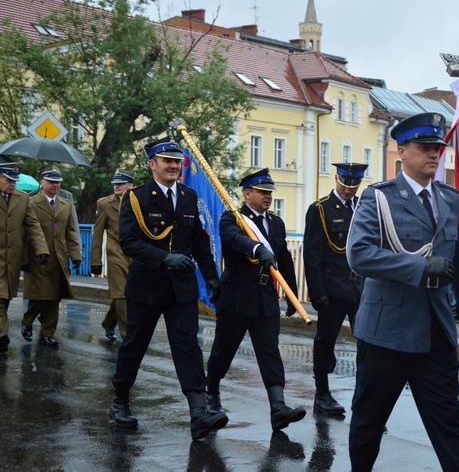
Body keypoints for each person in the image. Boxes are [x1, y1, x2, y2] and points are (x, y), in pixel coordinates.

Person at [346, 112, 459, 471]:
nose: (434, 154)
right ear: (401, 151)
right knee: (369, 421)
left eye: (438, 148)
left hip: (435, 329)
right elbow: (360, 255)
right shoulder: (379, 198)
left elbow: (454, 249)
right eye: (425, 147)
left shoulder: (449, 198)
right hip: (387, 330)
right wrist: (420, 268)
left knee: (449, 424)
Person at [109, 137, 227, 440]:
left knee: (188, 347)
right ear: (153, 164)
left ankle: (198, 412)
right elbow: (130, 242)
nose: (174, 166)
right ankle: (120, 400)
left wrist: (213, 277)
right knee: (134, 345)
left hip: (182, 289)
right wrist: (165, 258)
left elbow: (200, 240)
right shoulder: (136, 198)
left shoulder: (188, 196)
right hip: (147, 286)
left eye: (177, 162)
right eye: (167, 161)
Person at [205, 167, 305, 431]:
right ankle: (211, 393)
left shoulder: (276, 222)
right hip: (237, 295)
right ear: (247, 193)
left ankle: (278, 407)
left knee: (270, 351)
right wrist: (256, 247)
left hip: (265, 297)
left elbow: (283, 259)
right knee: (223, 350)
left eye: (270, 192)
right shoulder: (232, 218)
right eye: (262, 191)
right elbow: (234, 240)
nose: (268, 196)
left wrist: (292, 297)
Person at [303, 161, 368, 416]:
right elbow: (312, 255)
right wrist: (317, 293)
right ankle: (322, 393)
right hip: (332, 288)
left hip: (360, 288)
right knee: (326, 341)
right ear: (337, 179)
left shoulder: (364, 208)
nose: (350, 189)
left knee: (367, 344)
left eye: (354, 185)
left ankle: (363, 396)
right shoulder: (320, 210)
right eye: (346, 183)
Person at [22, 166, 81, 347]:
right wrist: (25, 259)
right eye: (51, 181)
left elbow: (71, 231)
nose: (55, 185)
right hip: (38, 257)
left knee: (55, 296)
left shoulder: (66, 205)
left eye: (58, 182)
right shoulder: (31, 203)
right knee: (40, 295)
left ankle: (48, 332)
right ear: (42, 182)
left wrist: (75, 255)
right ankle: (28, 320)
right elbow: (24, 233)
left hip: (59, 258)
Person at [0, 163, 48, 353]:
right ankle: (2, 335)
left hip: (12, 259)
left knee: (5, 298)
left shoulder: (22, 199)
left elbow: (33, 225)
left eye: (14, 181)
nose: (12, 184)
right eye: (8, 180)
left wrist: (41, 250)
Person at [91, 169, 134, 341]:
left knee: (127, 293)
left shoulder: (139, 201)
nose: (116, 186)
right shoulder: (104, 204)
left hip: (135, 255)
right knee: (121, 293)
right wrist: (95, 261)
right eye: (115, 184)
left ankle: (109, 322)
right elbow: (97, 232)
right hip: (115, 252)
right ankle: (127, 335)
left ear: (130, 185)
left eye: (121, 183)